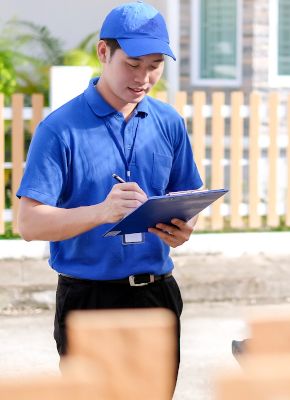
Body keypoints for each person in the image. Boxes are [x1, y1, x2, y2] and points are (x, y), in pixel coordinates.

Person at [16, 1, 202, 379]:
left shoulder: (169, 121)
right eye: (132, 64)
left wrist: (185, 226)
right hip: (89, 299)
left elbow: (187, 194)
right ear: (104, 52)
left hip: (157, 295)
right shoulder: (59, 129)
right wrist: (102, 212)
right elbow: (29, 224)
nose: (144, 78)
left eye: (155, 65)